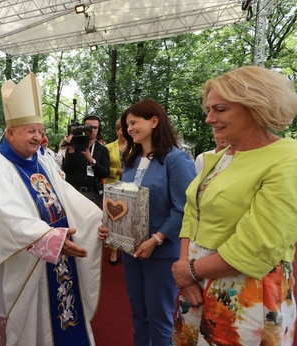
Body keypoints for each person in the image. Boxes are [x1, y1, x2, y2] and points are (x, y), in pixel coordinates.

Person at [0, 73, 103, 346]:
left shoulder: (42, 160)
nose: (38, 137)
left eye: (40, 131)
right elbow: (6, 217)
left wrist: (99, 220)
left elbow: (68, 197)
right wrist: (50, 239)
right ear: (10, 132)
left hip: (60, 260)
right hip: (26, 267)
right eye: (31, 131)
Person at [171, 66, 297, 345]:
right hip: (195, 285)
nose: (209, 119)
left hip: (244, 293)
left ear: (256, 106)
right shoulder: (221, 156)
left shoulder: (288, 157)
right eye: (209, 109)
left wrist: (189, 271)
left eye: (220, 109)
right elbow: (192, 212)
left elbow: (258, 245)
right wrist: (185, 270)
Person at [98, 99, 196, 345]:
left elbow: (184, 209)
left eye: (134, 122)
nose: (129, 128)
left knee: (160, 318)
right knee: (138, 314)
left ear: (154, 121)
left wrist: (156, 239)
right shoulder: (130, 160)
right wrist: (109, 228)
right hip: (132, 252)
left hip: (162, 253)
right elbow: (126, 203)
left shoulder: (176, 159)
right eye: (126, 125)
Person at [62, 115, 110, 208]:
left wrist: (92, 162)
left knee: (94, 222)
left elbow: (105, 173)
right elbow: (67, 170)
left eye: (95, 128)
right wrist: (71, 150)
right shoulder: (74, 146)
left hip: (92, 193)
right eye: (89, 127)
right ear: (83, 128)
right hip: (74, 192)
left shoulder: (102, 149)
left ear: (99, 129)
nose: (92, 130)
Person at [104, 117, 126, 265]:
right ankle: (113, 249)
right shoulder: (108, 147)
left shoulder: (137, 146)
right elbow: (103, 169)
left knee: (126, 219)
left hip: (130, 187)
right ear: (117, 130)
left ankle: (125, 249)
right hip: (112, 186)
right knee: (113, 219)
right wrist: (118, 171)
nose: (123, 131)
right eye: (120, 128)